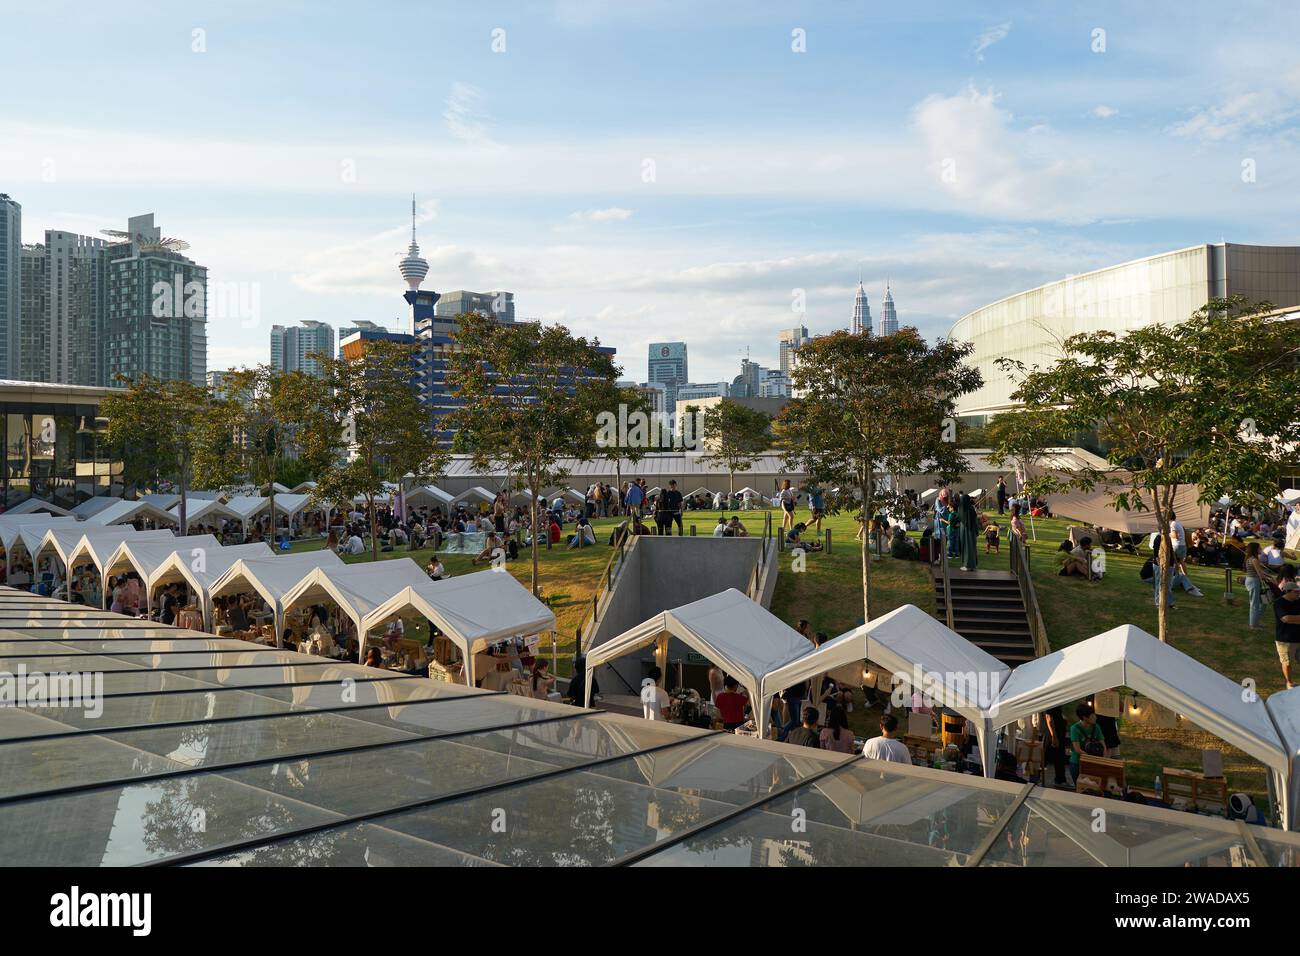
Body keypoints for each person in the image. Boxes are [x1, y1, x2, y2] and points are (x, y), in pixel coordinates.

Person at [1272, 564, 1300, 689]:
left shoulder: (1298, 601)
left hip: (1298, 637)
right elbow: (1286, 619)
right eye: (1296, 592)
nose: (1298, 594)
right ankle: (1289, 682)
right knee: (1287, 662)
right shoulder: (1279, 603)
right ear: (1288, 592)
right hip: (1285, 639)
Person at [1068, 702, 1105, 781]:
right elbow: (1077, 750)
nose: (1095, 717)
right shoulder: (1075, 728)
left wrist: (1102, 761)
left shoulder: (1096, 727)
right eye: (1092, 715)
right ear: (1085, 717)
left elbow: (1103, 746)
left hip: (1093, 763)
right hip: (1077, 763)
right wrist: (1091, 759)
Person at [1244, 541, 1276, 630]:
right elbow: (1260, 574)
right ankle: (1253, 625)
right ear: (1255, 549)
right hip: (1253, 581)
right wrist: (1271, 579)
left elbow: (1260, 573)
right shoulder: (1254, 560)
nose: (1261, 549)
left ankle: (1255, 622)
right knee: (1255, 604)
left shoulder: (1251, 558)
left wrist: (1269, 576)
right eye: (1259, 547)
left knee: (1263, 603)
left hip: (1252, 580)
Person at [1041, 707, 1069, 786]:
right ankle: (1060, 779)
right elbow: (1049, 718)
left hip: (1058, 732)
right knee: (1056, 755)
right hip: (1055, 733)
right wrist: (1053, 735)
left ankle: (1060, 779)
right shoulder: (1052, 703)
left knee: (1057, 756)